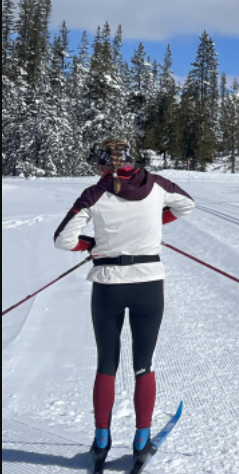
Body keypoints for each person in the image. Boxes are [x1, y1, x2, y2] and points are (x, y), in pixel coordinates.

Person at [53, 139, 195, 472]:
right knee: (143, 364)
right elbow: (187, 204)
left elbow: (63, 240)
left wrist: (90, 244)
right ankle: (141, 441)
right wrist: (156, 223)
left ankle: (101, 442)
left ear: (105, 165)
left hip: (108, 286)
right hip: (148, 284)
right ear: (131, 162)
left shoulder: (95, 193)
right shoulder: (156, 184)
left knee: (106, 364)